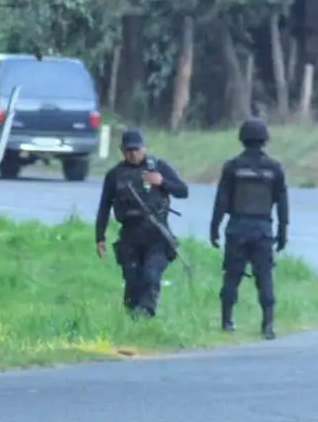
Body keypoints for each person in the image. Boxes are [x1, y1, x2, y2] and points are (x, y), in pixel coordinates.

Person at [94, 130, 189, 316]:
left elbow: (183, 191)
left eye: (136, 149)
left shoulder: (159, 167)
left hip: (157, 234)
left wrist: (162, 182)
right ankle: (133, 316)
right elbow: (104, 206)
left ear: (144, 148)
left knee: (151, 274)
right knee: (132, 278)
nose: (133, 154)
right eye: (128, 150)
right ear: (122, 150)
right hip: (130, 234)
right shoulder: (115, 175)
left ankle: (146, 311)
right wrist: (100, 237)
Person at [210, 117, 289, 340]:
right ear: (265, 139)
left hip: (237, 227)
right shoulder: (274, 168)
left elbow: (222, 200)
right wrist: (283, 231)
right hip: (263, 228)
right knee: (264, 276)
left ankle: (227, 320)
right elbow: (282, 202)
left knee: (232, 276)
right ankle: (268, 324)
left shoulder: (233, 167)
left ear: (242, 138)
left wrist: (214, 227)